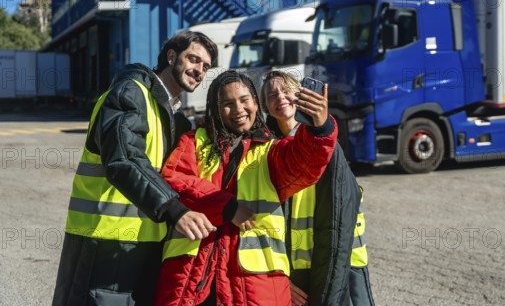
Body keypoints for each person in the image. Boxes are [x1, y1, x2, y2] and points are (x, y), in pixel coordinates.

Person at [52, 31, 219, 306]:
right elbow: (124, 159)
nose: (199, 70)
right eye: (193, 59)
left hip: (142, 242)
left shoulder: (171, 115)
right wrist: (174, 210)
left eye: (205, 66)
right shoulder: (130, 92)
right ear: (171, 56)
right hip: (103, 240)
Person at [153, 70, 338, 306]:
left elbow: (305, 161)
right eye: (228, 104)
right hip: (192, 279)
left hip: (256, 287)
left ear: (255, 102)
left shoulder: (271, 150)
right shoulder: (194, 141)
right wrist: (227, 207)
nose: (239, 110)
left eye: (244, 101)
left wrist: (319, 128)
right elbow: (174, 179)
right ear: (215, 108)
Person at [260, 71, 376, 306]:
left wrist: (321, 124)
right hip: (296, 271)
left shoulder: (323, 141)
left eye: (286, 91)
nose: (280, 97)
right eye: (272, 94)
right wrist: (279, 276)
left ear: (300, 95)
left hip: (341, 262)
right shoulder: (265, 151)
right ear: (265, 106)